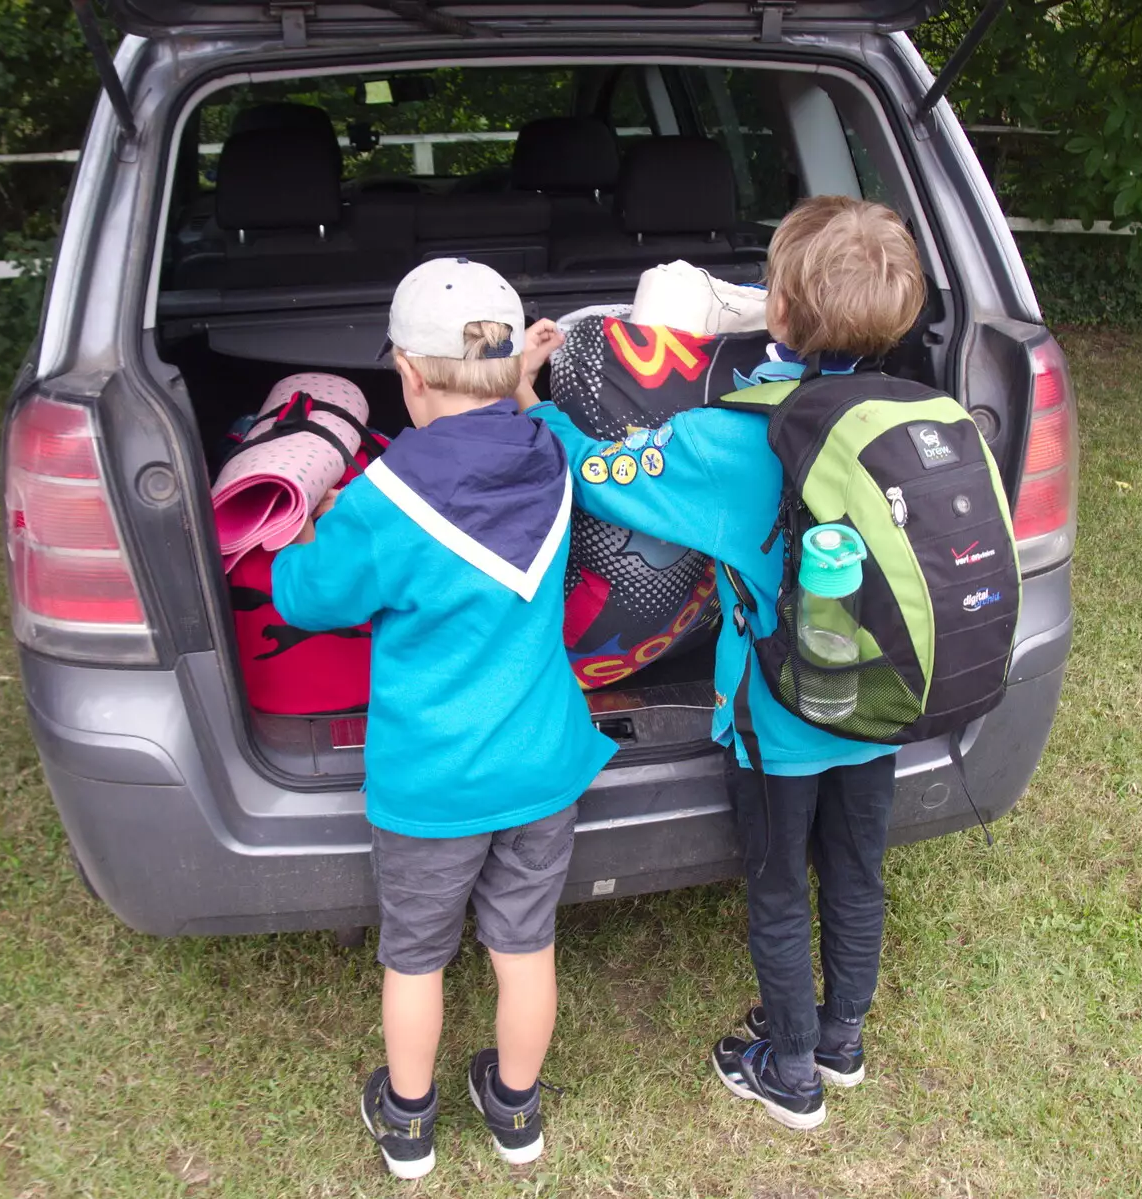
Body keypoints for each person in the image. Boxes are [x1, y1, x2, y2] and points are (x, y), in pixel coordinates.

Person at [516, 197, 928, 1131]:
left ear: (773, 310)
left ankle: (788, 1068)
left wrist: (533, 401)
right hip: (877, 701)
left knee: (780, 884)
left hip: (778, 723)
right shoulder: (911, 412)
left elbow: (597, 472)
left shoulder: (733, 436)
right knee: (857, 871)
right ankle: (842, 1039)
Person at [273, 257, 617, 1178]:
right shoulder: (549, 453)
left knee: (415, 958)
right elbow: (533, 418)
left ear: (408, 373)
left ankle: (409, 1122)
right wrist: (529, 384)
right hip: (542, 767)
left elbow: (305, 598)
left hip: (430, 783)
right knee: (524, 944)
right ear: (510, 375)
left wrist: (305, 527)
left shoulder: (385, 497)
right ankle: (515, 1115)